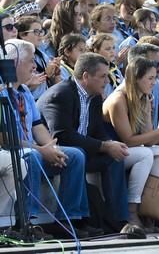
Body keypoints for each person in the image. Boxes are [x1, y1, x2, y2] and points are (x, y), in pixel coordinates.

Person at [7, 40, 97, 238]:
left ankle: (68, 220)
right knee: (32, 156)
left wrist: (51, 148)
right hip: (13, 151)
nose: (34, 66)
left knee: (74, 155)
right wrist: (41, 151)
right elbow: (6, 139)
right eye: (31, 61)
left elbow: (37, 126)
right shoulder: (2, 93)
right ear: (15, 63)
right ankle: (26, 221)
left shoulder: (25, 93)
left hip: (31, 148)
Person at [38, 53, 130, 232]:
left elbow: (97, 131)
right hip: (55, 154)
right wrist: (104, 146)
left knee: (116, 156)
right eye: (102, 76)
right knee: (77, 155)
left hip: (83, 151)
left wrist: (110, 143)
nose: (107, 80)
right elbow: (62, 136)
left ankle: (117, 220)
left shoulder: (94, 97)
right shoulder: (60, 94)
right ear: (86, 76)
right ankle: (70, 221)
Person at [102, 56, 159, 231]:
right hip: (111, 150)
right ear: (136, 78)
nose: (155, 83)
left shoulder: (143, 97)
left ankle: (151, 210)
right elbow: (128, 139)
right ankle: (131, 210)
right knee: (146, 155)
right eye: (150, 78)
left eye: (155, 77)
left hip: (129, 149)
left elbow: (148, 138)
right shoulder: (118, 100)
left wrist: (149, 112)